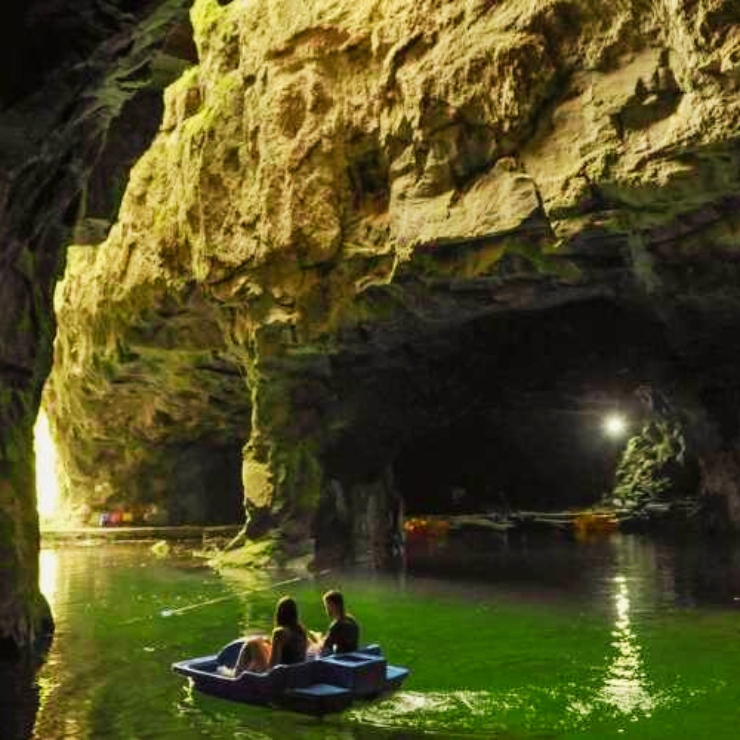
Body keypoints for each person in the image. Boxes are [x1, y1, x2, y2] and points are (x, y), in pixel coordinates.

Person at [228, 596, 308, 675]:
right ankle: (246, 671)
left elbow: (273, 666)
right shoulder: (301, 630)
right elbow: (291, 653)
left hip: (280, 676)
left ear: (278, 614)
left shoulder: (280, 632)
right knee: (263, 643)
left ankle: (236, 676)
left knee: (253, 643)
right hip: (297, 672)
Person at [311, 590, 360, 656]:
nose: (326, 609)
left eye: (327, 605)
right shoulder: (352, 620)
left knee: (311, 650)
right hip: (352, 656)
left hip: (341, 659)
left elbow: (324, 647)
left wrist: (317, 637)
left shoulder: (337, 625)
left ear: (333, 605)